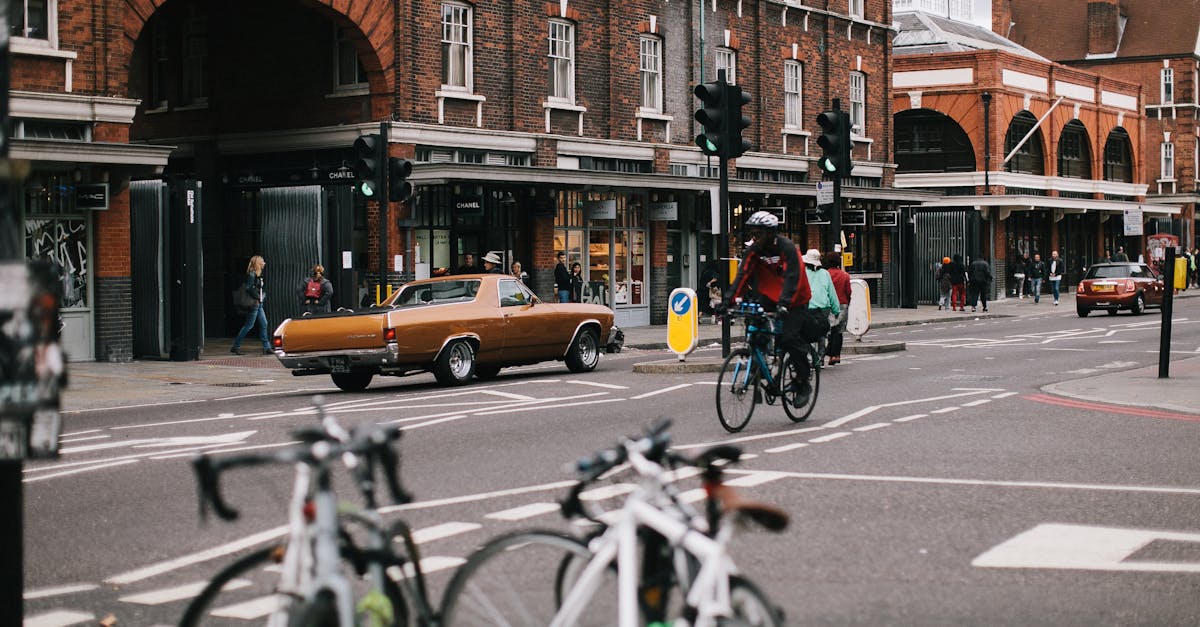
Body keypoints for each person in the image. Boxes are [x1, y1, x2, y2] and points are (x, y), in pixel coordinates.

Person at [724, 211, 813, 405]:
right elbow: (743, 275)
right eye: (753, 233)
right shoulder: (754, 250)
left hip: (795, 299)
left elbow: (793, 277)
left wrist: (784, 304)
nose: (755, 237)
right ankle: (759, 363)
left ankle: (802, 380)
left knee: (789, 338)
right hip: (768, 296)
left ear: (771, 233)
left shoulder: (787, 248)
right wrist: (728, 301)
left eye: (759, 233)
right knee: (754, 325)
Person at [803, 249, 840, 366]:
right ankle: (820, 358)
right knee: (821, 333)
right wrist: (836, 309)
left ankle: (813, 356)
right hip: (823, 307)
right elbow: (832, 293)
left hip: (807, 306)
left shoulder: (803, 273)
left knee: (803, 334)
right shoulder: (825, 273)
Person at [231, 255, 271, 355]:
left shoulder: (257, 275)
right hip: (254, 304)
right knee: (249, 325)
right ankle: (236, 346)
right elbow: (249, 288)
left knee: (264, 323)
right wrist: (258, 297)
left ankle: (266, 347)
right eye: (262, 261)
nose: (264, 263)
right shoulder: (252, 275)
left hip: (258, 303)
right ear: (258, 263)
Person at [822, 252, 851, 366]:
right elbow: (849, 291)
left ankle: (828, 353)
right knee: (839, 331)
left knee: (829, 331)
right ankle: (836, 355)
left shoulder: (825, 274)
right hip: (842, 304)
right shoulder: (845, 275)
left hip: (828, 305)